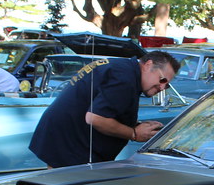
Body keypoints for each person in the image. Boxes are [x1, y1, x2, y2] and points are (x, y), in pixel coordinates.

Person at [29, 51, 180, 168]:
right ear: (148, 65)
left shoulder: (122, 69)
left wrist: (135, 125)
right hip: (70, 145)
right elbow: (95, 118)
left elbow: (106, 109)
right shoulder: (124, 78)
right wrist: (134, 133)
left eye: (167, 85)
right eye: (162, 80)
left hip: (64, 138)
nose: (162, 87)